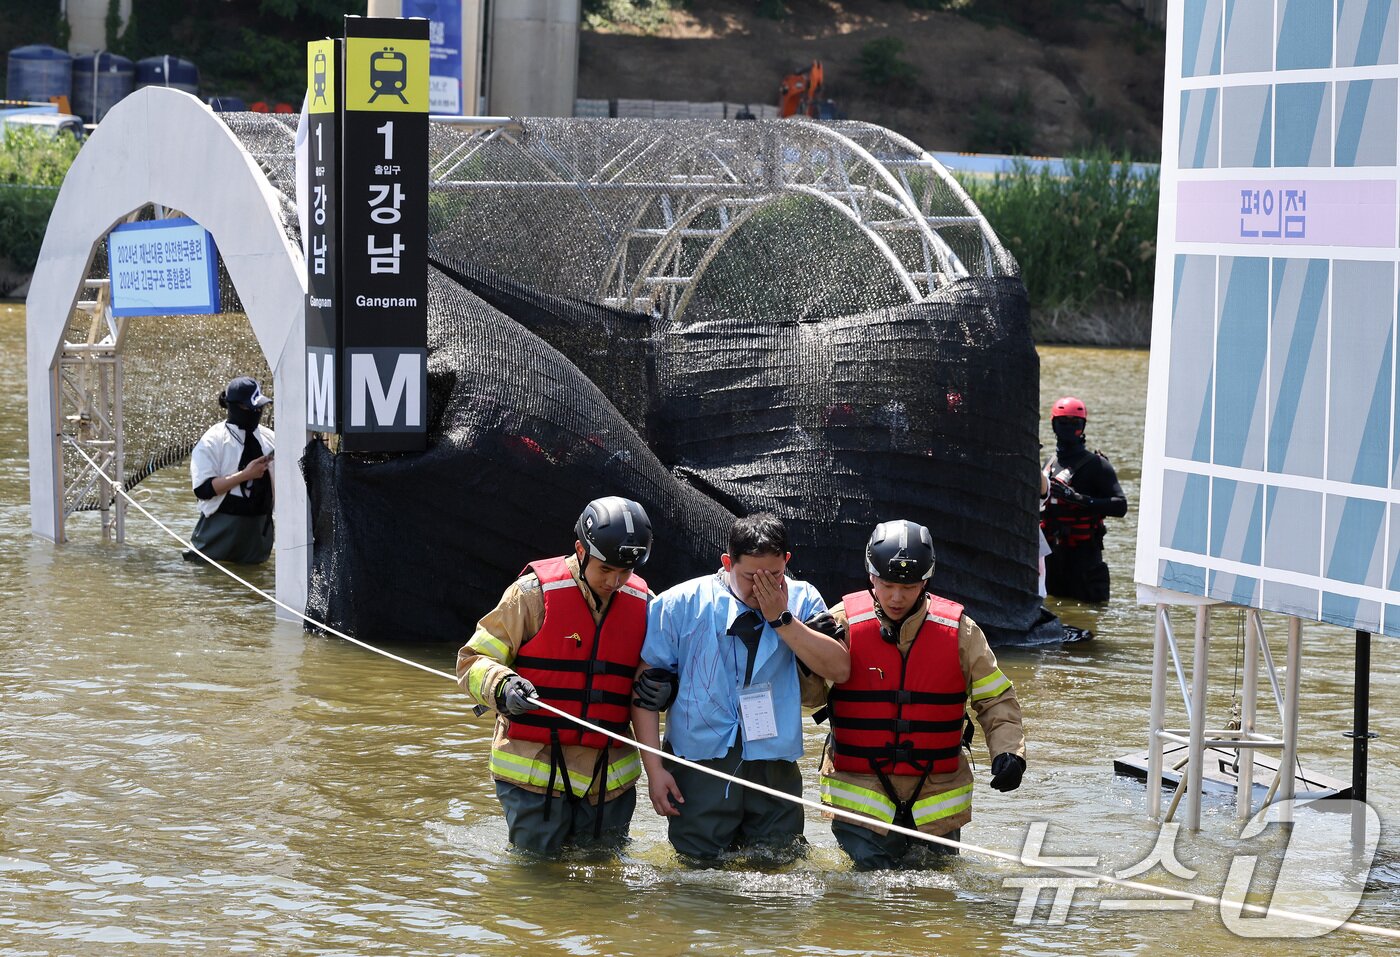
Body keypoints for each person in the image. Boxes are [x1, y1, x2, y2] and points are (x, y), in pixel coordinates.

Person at [631, 513, 850, 863]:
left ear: (787, 563)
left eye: (775, 575)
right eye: (750, 576)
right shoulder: (678, 604)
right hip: (700, 763)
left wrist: (782, 618)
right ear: (727, 562)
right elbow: (644, 696)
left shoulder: (803, 599)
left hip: (773, 763)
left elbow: (839, 669)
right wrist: (654, 771)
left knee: (779, 868)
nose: (761, 587)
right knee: (697, 872)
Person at [811, 520, 1026, 871]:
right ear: (871, 577)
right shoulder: (839, 624)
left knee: (935, 904)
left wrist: (1009, 753)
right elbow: (809, 699)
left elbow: (995, 699)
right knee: (868, 896)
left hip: (937, 802)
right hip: (862, 800)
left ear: (925, 581)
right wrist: (808, 656)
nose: (897, 597)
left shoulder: (961, 632)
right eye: (888, 584)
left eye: (908, 586)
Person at [456, 496, 654, 856]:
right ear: (581, 550)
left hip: (610, 782)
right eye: (606, 570)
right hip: (534, 772)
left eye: (625, 572)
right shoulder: (531, 596)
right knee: (537, 882)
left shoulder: (646, 604)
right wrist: (502, 686)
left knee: (604, 882)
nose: (615, 581)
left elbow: (657, 680)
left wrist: (664, 689)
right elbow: (472, 660)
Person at [1040, 396, 1128, 603]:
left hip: (1084, 558)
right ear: (1054, 424)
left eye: (1074, 423)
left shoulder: (1098, 466)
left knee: (1088, 615)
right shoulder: (1048, 464)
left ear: (1083, 425)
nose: (1069, 427)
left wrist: (1079, 499)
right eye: (1063, 422)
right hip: (1052, 557)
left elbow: (1120, 506)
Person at [186, 376, 275, 563]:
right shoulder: (213, 440)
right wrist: (246, 475)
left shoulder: (270, 439)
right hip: (219, 528)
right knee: (212, 580)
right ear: (234, 406)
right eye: (250, 408)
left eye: (260, 408)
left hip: (258, 532)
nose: (256, 412)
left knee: (253, 583)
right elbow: (203, 490)